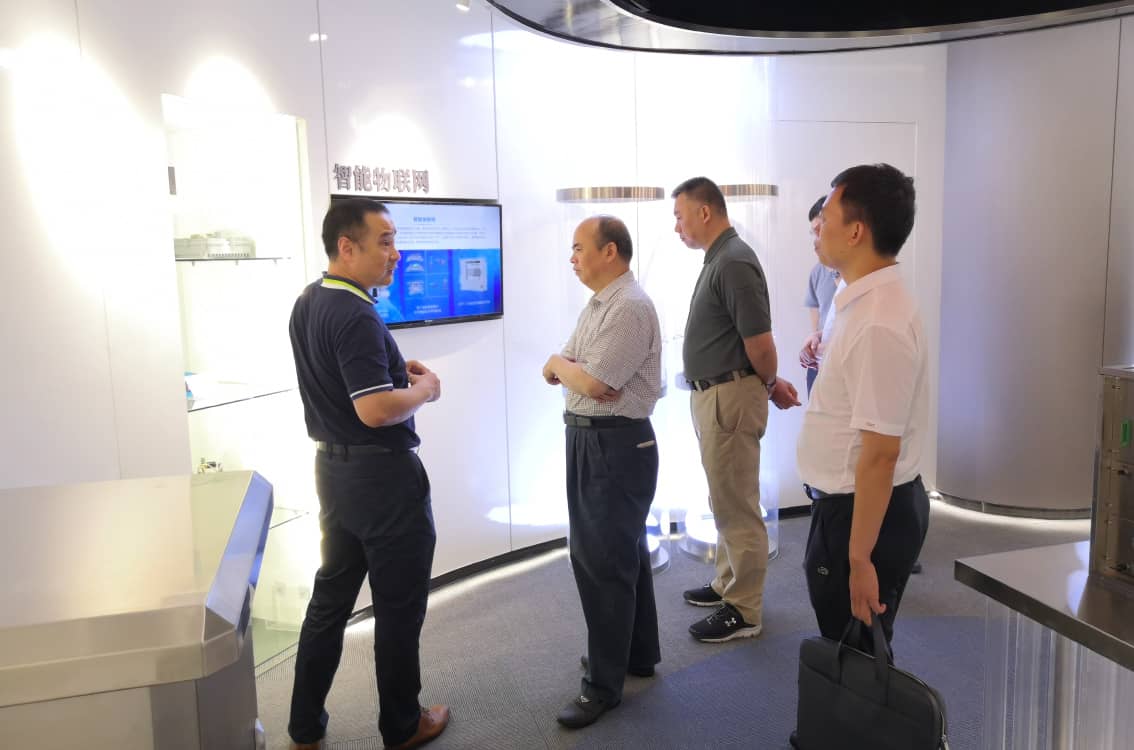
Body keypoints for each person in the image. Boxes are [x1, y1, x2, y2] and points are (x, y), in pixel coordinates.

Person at [286, 198, 448, 750]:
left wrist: (394, 371)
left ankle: (304, 726)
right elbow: (375, 410)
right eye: (385, 241)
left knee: (329, 602)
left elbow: (342, 382)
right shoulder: (355, 313)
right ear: (346, 246)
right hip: (383, 482)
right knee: (399, 608)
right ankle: (403, 727)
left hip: (335, 475)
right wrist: (424, 390)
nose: (396, 254)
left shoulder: (310, 300)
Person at [796, 163, 930, 657]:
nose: (818, 228)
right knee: (849, 644)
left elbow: (880, 453)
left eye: (826, 217)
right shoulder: (856, 300)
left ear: (855, 231)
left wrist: (859, 558)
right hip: (851, 503)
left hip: (864, 509)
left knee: (858, 650)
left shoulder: (878, 321)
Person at [542, 215, 663, 729]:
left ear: (610, 251)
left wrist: (566, 367)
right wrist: (564, 365)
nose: (572, 258)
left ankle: (603, 687)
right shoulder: (600, 304)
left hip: (614, 444)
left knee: (602, 562)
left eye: (579, 248)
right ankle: (635, 654)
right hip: (596, 441)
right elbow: (561, 366)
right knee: (623, 554)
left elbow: (592, 382)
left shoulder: (629, 306)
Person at [672, 176, 801, 643]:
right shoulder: (721, 258)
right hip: (716, 396)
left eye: (680, 215)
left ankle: (744, 609)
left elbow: (760, 344)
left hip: (729, 397)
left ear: (705, 211)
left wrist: (769, 382)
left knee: (737, 503)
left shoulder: (733, 261)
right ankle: (728, 584)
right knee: (724, 496)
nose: (677, 226)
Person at [800, 195, 840, 397]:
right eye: (813, 232)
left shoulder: (858, 277)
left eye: (819, 230)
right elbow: (817, 327)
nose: (816, 240)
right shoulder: (817, 273)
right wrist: (813, 341)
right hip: (820, 363)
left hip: (841, 365)